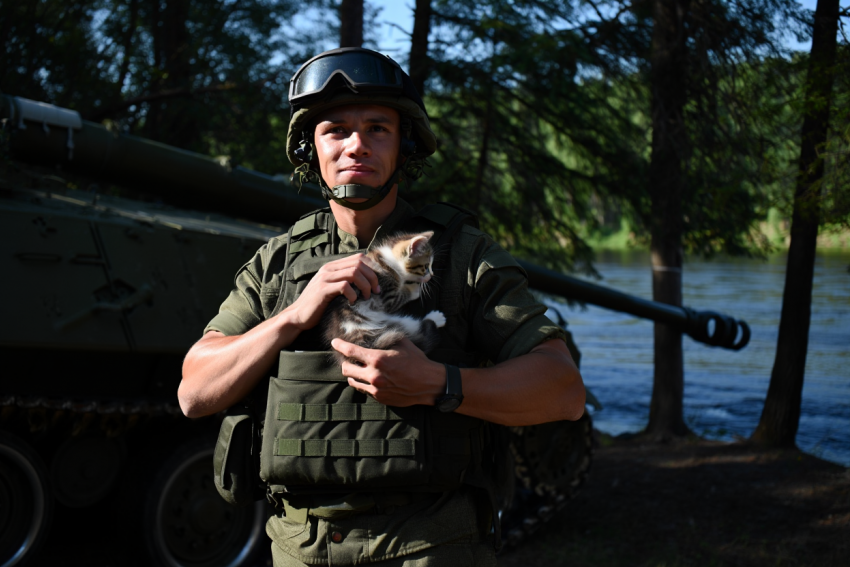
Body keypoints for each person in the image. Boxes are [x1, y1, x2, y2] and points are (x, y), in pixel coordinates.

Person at [178, 47, 585, 567]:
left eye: (377, 128)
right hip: (298, 551)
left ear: (403, 145)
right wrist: (296, 316)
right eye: (336, 130)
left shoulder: (459, 255)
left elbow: (563, 390)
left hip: (431, 548)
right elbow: (194, 392)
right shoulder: (276, 264)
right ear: (311, 149)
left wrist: (440, 384)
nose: (356, 146)